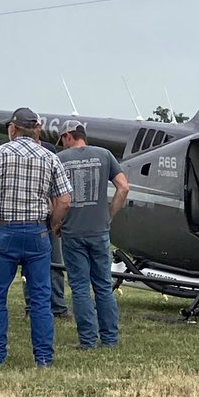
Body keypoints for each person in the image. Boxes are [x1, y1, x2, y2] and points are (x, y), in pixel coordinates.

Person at [0, 107, 72, 368]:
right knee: (41, 298)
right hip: (37, 232)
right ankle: (44, 358)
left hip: (5, 230)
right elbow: (64, 200)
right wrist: (52, 224)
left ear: (13, 129)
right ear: (36, 129)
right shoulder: (49, 157)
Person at [56, 119, 129, 350]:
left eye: (62, 139)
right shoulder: (105, 155)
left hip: (72, 231)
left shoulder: (60, 159)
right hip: (100, 231)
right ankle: (110, 339)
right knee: (103, 286)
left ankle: (87, 340)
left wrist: (56, 223)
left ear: (68, 136)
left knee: (80, 287)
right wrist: (109, 215)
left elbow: (57, 199)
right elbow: (123, 187)